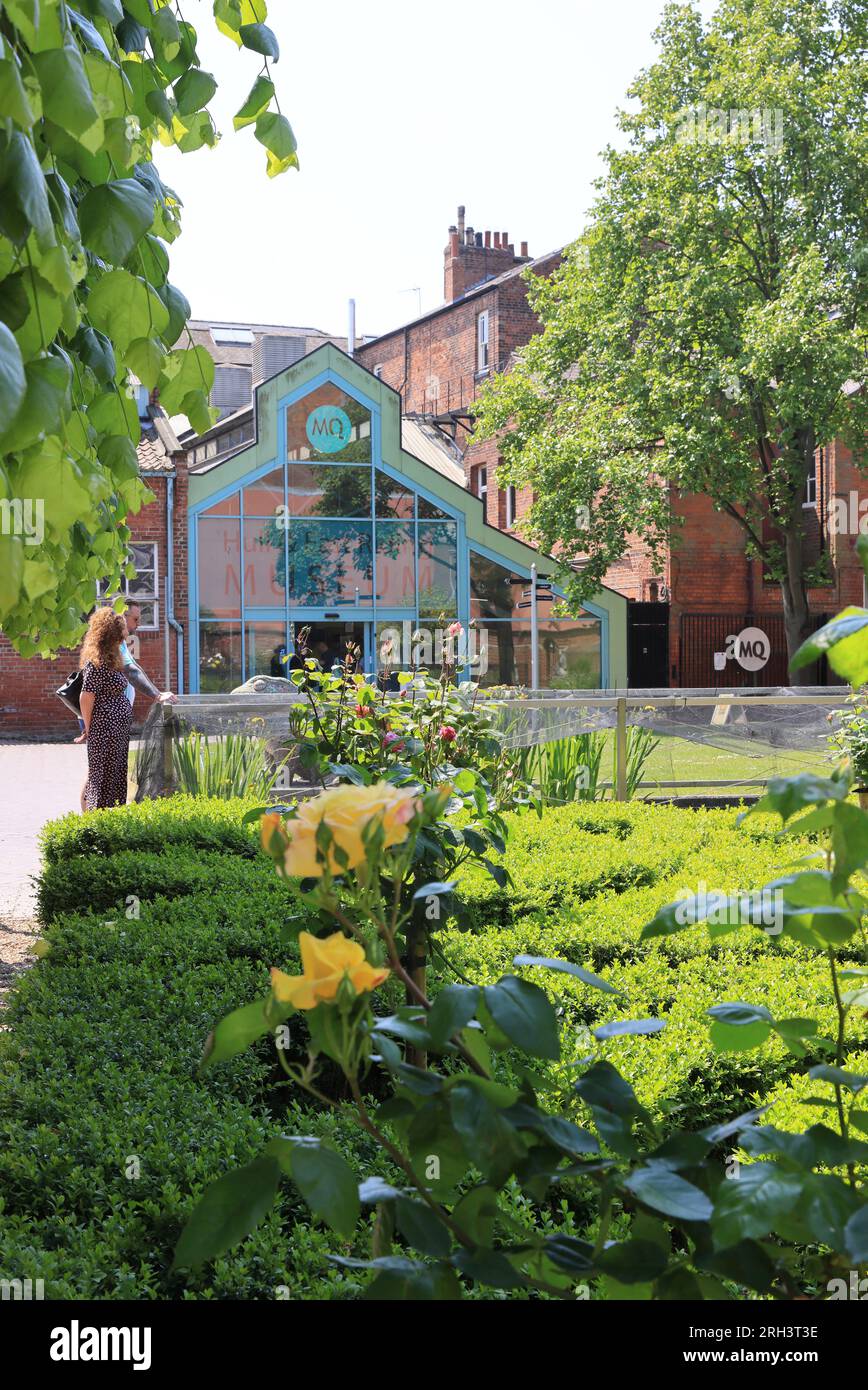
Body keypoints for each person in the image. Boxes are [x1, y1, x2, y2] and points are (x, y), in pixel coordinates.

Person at [76, 602, 176, 810]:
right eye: (131, 622)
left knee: (111, 774)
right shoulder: (98, 661)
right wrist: (89, 727)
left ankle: (106, 817)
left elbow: (132, 669)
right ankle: (90, 820)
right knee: (98, 774)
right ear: (113, 630)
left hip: (115, 727)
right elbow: (87, 696)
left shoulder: (115, 655)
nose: (130, 630)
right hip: (102, 727)